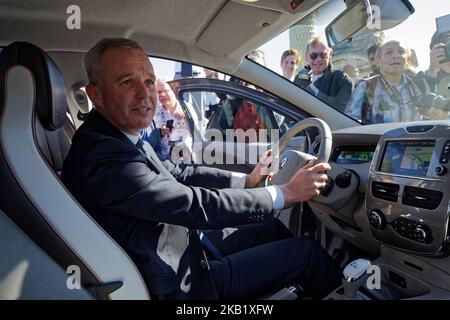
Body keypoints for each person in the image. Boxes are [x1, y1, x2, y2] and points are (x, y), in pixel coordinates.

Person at [61, 38, 341, 300]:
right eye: (127, 82)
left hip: (182, 251)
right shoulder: (103, 155)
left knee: (268, 227)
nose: (145, 94)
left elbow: (177, 173)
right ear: (96, 95)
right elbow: (192, 205)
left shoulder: (113, 136)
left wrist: (248, 180)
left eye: (148, 81)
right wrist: (285, 193)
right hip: (182, 286)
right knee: (307, 254)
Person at [345, 39, 425, 123]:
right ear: (377, 62)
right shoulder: (365, 86)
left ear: (407, 60)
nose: (396, 56)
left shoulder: (418, 86)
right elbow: (350, 121)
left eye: (401, 52)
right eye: (389, 52)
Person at [294, 37, 353, 113]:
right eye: (313, 55)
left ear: (330, 54)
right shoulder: (300, 78)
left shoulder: (342, 80)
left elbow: (340, 112)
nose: (318, 59)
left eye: (323, 55)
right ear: (306, 56)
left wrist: (313, 90)